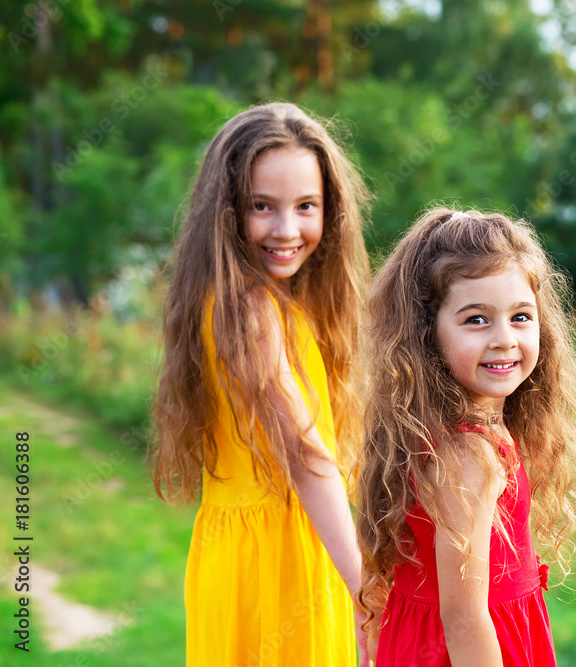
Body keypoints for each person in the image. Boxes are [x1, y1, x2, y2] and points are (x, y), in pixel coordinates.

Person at [149, 102, 372, 666]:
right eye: (261, 207)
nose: (287, 229)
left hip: (282, 546)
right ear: (226, 212)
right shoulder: (247, 310)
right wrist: (368, 593)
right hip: (270, 564)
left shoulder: (281, 305)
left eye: (306, 207)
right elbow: (303, 453)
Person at [355, 208, 576, 666]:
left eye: (521, 317)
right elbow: (465, 618)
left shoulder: (455, 430)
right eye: (476, 320)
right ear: (428, 335)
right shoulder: (469, 455)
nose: (504, 339)